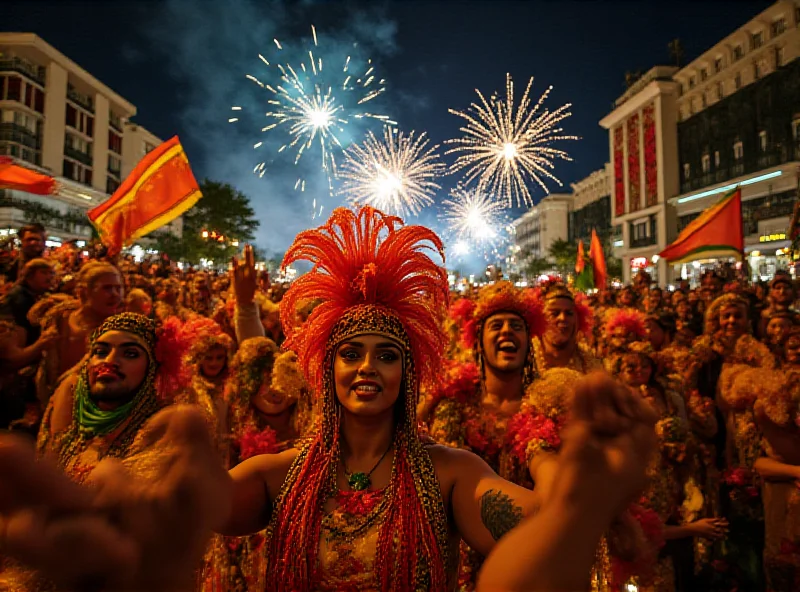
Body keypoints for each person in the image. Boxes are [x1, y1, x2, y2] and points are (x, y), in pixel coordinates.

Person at [0, 207, 658, 592]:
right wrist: (144, 514)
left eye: (387, 354)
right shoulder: (275, 476)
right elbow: (190, 508)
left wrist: (577, 505)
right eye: (350, 352)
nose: (367, 366)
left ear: (412, 372)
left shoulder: (452, 473)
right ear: (325, 368)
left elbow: (528, 533)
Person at [0, 312, 189, 590]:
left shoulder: (160, 444)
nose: (110, 361)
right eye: (100, 351)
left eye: (130, 353)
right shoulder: (73, 432)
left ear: (153, 369)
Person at [35, 261, 124, 405]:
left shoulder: (120, 330)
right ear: (83, 292)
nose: (115, 294)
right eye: (107, 288)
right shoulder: (59, 319)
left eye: (118, 288)